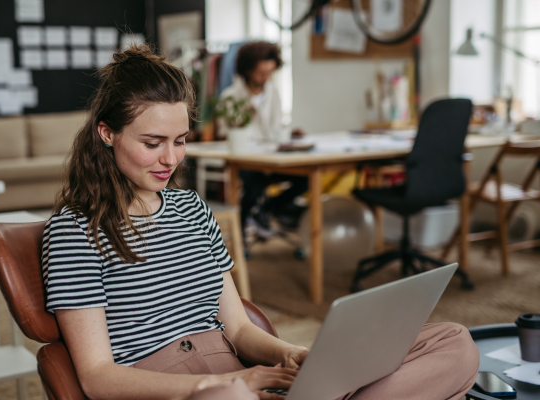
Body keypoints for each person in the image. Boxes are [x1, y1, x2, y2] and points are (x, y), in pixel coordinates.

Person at [42, 44, 479, 400]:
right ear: (106, 133)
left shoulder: (192, 208)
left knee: (453, 342)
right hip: (185, 392)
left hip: (243, 383)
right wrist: (222, 385)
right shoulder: (74, 231)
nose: (170, 160)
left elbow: (238, 329)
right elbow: (98, 377)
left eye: (180, 141)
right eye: (152, 143)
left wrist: (296, 355)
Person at [219, 41, 308, 235]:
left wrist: (290, 135)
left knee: (305, 179)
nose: (265, 77)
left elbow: (275, 128)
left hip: (272, 158)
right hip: (247, 161)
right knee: (254, 185)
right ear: (248, 70)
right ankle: (240, 233)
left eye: (269, 72)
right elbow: (226, 133)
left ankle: (265, 209)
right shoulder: (230, 96)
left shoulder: (273, 93)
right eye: (261, 73)